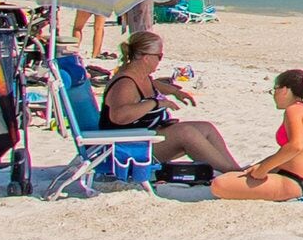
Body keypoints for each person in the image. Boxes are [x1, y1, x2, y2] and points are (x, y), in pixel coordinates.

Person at [100, 31, 243, 175]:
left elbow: (154, 85)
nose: (160, 60)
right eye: (159, 56)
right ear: (146, 58)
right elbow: (119, 115)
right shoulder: (125, 83)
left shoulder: (141, 77)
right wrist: (156, 103)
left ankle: (236, 170)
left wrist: (175, 92)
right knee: (185, 133)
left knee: (207, 128)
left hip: (145, 138)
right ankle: (231, 174)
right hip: (128, 148)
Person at [212, 68, 303, 200]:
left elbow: (295, 146)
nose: (274, 95)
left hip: (299, 182)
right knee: (238, 175)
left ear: (284, 90)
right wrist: (259, 166)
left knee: (219, 184)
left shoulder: (294, 110)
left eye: (274, 90)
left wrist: (262, 170)